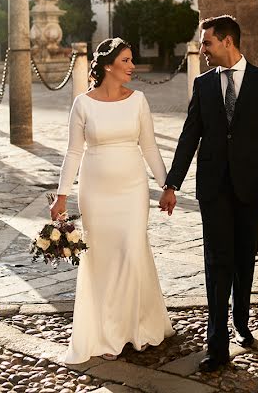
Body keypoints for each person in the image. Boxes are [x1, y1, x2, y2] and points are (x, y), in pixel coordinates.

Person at [160, 15, 258, 372]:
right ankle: (217, 346)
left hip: (252, 187)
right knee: (217, 262)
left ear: (228, 42)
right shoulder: (202, 86)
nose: (202, 50)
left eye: (207, 43)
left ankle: (242, 321)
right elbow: (189, 137)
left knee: (244, 258)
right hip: (213, 187)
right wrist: (172, 183)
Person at [50, 37, 175, 364]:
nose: (132, 66)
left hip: (133, 190)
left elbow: (149, 147)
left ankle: (138, 328)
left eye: (132, 60)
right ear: (108, 66)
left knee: (132, 251)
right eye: (126, 61)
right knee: (103, 259)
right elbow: (74, 151)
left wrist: (167, 186)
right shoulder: (83, 104)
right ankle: (107, 332)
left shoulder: (139, 101)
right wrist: (61, 195)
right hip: (96, 193)